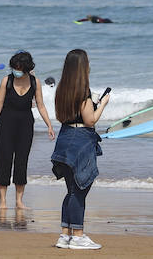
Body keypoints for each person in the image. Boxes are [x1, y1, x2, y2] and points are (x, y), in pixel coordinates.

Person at [50, 48, 109, 250]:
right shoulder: (83, 92)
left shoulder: (62, 90)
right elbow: (90, 120)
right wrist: (102, 105)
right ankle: (78, 235)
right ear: (82, 67)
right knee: (80, 190)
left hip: (65, 138)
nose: (90, 65)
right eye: (88, 62)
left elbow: (61, 116)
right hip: (80, 141)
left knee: (71, 190)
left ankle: (65, 234)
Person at [0, 50, 55, 211]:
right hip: (5, 123)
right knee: (4, 160)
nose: (15, 70)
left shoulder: (35, 82)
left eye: (18, 67)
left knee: (21, 161)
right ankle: (3, 201)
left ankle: (19, 201)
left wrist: (49, 125)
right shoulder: (7, 81)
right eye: (14, 67)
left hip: (26, 124)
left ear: (26, 68)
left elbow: (40, 105)